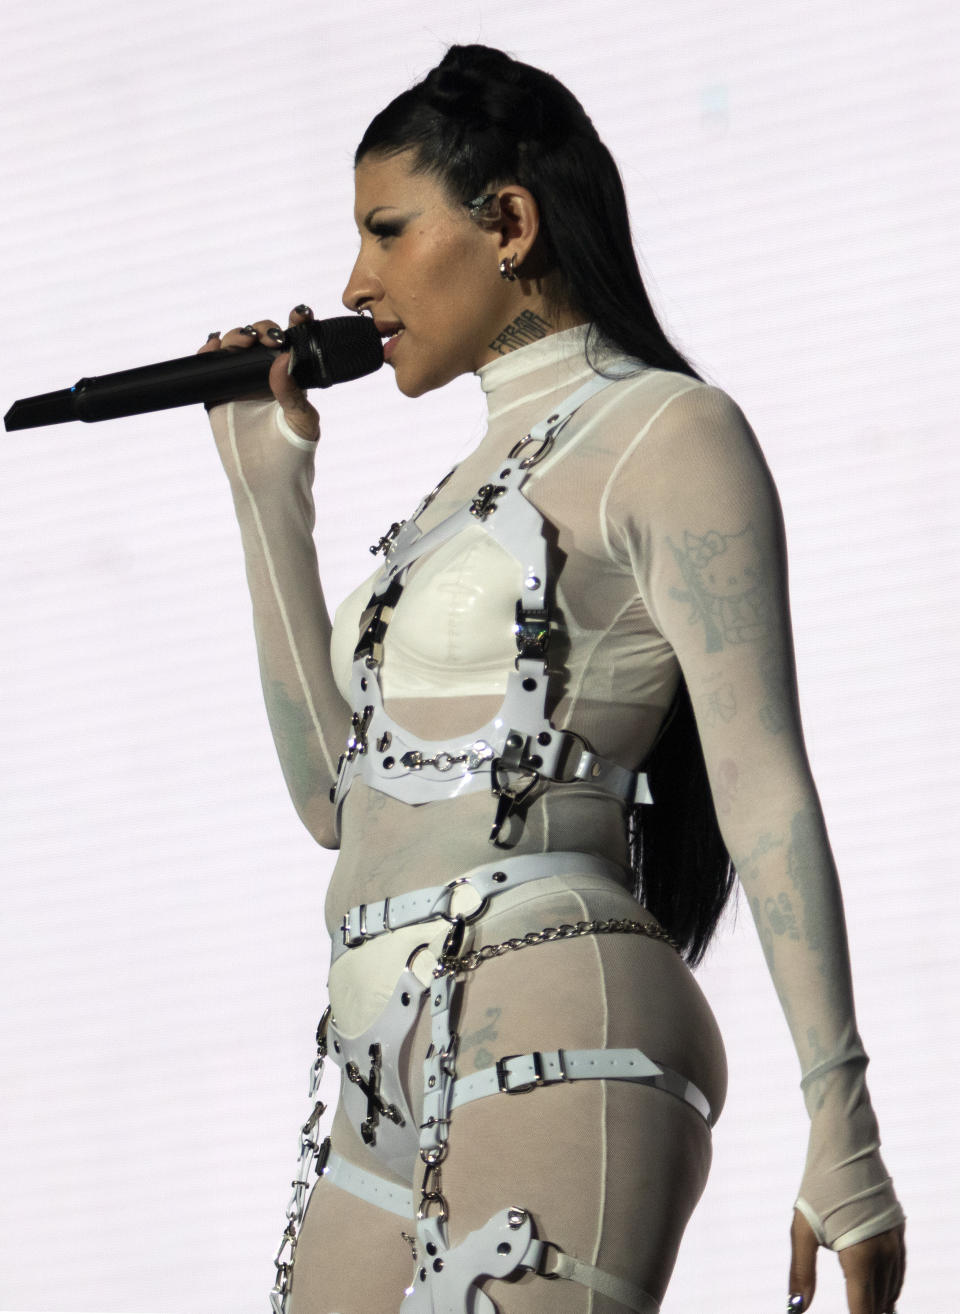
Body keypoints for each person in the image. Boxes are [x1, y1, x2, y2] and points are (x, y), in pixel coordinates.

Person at [200, 43, 905, 1314]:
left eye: (386, 229)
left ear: (508, 223)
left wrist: (840, 1123)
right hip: (373, 1062)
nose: (355, 282)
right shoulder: (451, 495)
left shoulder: (666, 432)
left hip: (551, 1004)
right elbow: (333, 805)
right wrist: (267, 495)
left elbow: (762, 782)